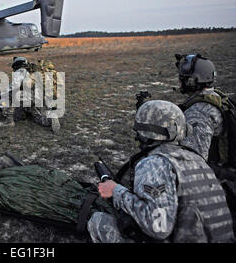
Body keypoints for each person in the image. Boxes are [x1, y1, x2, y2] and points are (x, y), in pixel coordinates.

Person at [86, 100, 234, 243]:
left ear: (145, 133)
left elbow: (159, 228)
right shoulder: (197, 159)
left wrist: (115, 191)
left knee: (98, 222)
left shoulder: (154, 163)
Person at [175, 54, 235, 170]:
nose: (179, 81)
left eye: (182, 77)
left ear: (192, 80)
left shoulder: (199, 112)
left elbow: (192, 161)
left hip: (218, 177)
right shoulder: (217, 96)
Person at [0, 57, 60, 134]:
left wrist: (0, 95)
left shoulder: (20, 71)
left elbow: (13, 87)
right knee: (37, 117)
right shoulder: (31, 73)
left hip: (27, 98)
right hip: (36, 100)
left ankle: (9, 121)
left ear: (16, 65)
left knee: (9, 97)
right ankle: (50, 119)